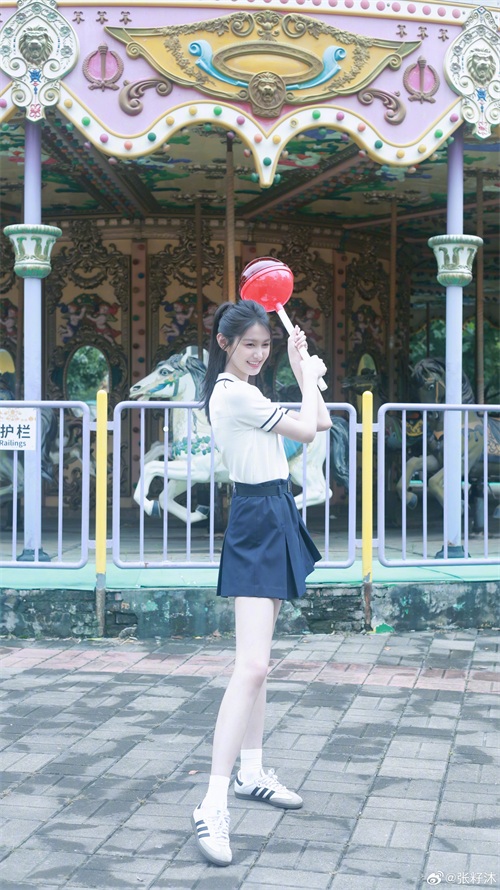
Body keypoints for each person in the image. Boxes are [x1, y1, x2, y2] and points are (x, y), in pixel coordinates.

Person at [192, 298, 331, 867]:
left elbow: (317, 423)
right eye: (248, 344)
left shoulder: (246, 393)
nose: (257, 353)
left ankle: (251, 772)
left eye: (265, 345)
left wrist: (305, 376)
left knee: (260, 664)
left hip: (274, 511)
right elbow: (310, 429)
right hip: (256, 517)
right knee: (249, 666)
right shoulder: (235, 394)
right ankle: (212, 802)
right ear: (224, 344)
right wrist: (303, 373)